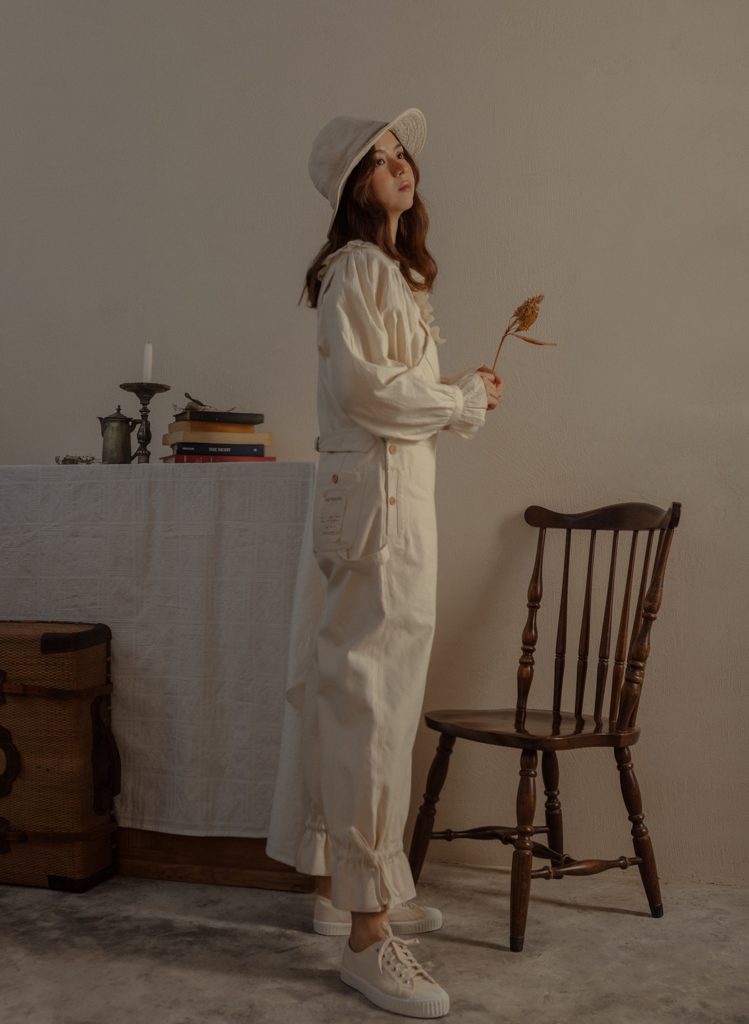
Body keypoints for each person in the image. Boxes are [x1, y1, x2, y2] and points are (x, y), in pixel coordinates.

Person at [266, 107, 502, 1019]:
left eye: (403, 155)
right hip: (379, 507)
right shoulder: (361, 267)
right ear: (351, 186)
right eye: (381, 158)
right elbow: (365, 391)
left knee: (371, 698)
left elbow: (396, 396)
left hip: (388, 500)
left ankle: (348, 894)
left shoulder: (389, 273)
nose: (401, 165)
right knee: (370, 703)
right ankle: (367, 937)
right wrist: (457, 398)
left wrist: (459, 397)